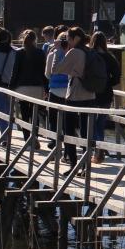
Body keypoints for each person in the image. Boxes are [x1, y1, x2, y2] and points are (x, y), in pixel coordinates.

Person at [47, 26, 99, 162]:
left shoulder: (74, 52)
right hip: (90, 95)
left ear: (76, 38)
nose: (67, 41)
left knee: (69, 130)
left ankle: (73, 162)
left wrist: (58, 51)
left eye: (69, 38)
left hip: (75, 96)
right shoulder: (89, 51)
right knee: (86, 132)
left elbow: (55, 70)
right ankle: (85, 163)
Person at [89, 31, 120, 162]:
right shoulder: (110, 57)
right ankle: (99, 150)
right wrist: (107, 83)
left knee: (91, 122)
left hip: (91, 93)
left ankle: (95, 150)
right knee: (100, 123)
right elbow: (117, 77)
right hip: (106, 93)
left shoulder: (90, 55)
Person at [10, 30, 48, 137]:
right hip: (37, 87)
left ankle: (27, 138)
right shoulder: (40, 53)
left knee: (25, 114)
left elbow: (15, 71)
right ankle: (34, 137)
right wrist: (46, 88)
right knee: (35, 114)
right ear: (35, 39)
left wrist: (11, 87)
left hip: (22, 87)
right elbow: (43, 72)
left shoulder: (19, 52)